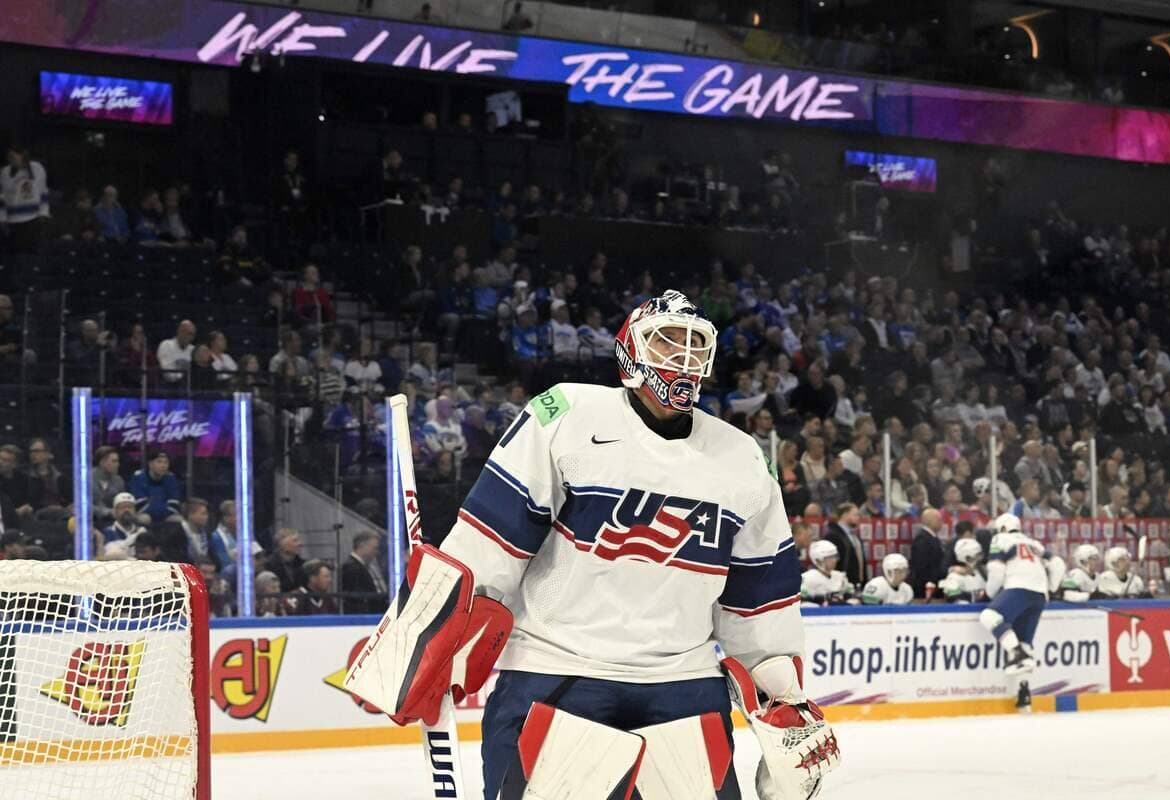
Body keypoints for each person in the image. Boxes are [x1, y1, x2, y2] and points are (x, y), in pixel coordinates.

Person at [344, 290, 838, 800]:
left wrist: (783, 700)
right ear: (630, 351)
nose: (683, 357)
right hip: (555, 670)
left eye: (694, 344)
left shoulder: (741, 458)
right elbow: (489, 542)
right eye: (667, 341)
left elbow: (760, 600)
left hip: (683, 682)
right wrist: (427, 631)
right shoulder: (565, 414)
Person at [980, 513, 1048, 711]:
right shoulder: (1032, 542)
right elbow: (1057, 563)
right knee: (1024, 641)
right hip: (1040, 594)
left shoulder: (1000, 539)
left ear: (1001, 528)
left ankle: (1016, 654)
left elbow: (995, 571)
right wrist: (1051, 587)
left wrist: (990, 593)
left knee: (989, 616)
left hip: (1018, 587)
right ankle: (1023, 697)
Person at [0, 146, 50, 252]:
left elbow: (44, 193)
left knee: (31, 255)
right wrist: (2, 219)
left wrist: (43, 214)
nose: (11, 160)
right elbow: (2, 197)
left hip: (32, 219)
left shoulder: (37, 168)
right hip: (12, 221)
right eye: (9, 157)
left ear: (22, 155)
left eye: (13, 156)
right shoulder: (5, 172)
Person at [340, 531, 389, 614]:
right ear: (362, 546)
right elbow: (358, 599)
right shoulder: (351, 568)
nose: (377, 552)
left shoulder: (365, 567)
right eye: (375, 548)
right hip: (362, 619)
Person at [128, 450, 182, 523]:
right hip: (146, 514)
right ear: (150, 464)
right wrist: (161, 511)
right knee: (145, 519)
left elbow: (174, 504)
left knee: (179, 519)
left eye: (166, 462)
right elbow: (140, 505)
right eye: (159, 462)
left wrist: (160, 512)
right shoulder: (138, 478)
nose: (163, 465)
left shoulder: (171, 478)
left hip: (165, 514)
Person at [822, 502, 866, 587]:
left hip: (857, 584)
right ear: (845, 515)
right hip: (840, 584)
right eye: (855, 515)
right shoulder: (832, 535)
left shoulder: (856, 537)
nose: (858, 518)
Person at [908, 508, 947, 597]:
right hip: (925, 588)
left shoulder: (932, 537)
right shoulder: (922, 539)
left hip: (935, 585)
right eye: (938, 519)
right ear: (927, 520)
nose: (941, 522)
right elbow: (921, 566)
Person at [801, 539, 854, 605]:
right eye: (830, 557)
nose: (834, 560)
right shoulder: (807, 579)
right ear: (819, 560)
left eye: (835, 556)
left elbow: (851, 596)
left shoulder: (840, 577)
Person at [98, 492, 147, 560]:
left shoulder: (142, 531)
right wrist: (134, 538)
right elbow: (111, 554)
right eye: (122, 507)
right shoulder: (108, 532)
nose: (126, 510)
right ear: (115, 512)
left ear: (135, 511)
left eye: (130, 507)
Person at [939, 538, 986, 603]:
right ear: (968, 558)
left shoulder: (983, 573)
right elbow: (953, 598)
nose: (981, 558)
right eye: (978, 555)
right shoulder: (953, 577)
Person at [264, 527, 305, 592]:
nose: (300, 544)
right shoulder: (268, 565)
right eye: (295, 541)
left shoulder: (303, 564)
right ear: (283, 544)